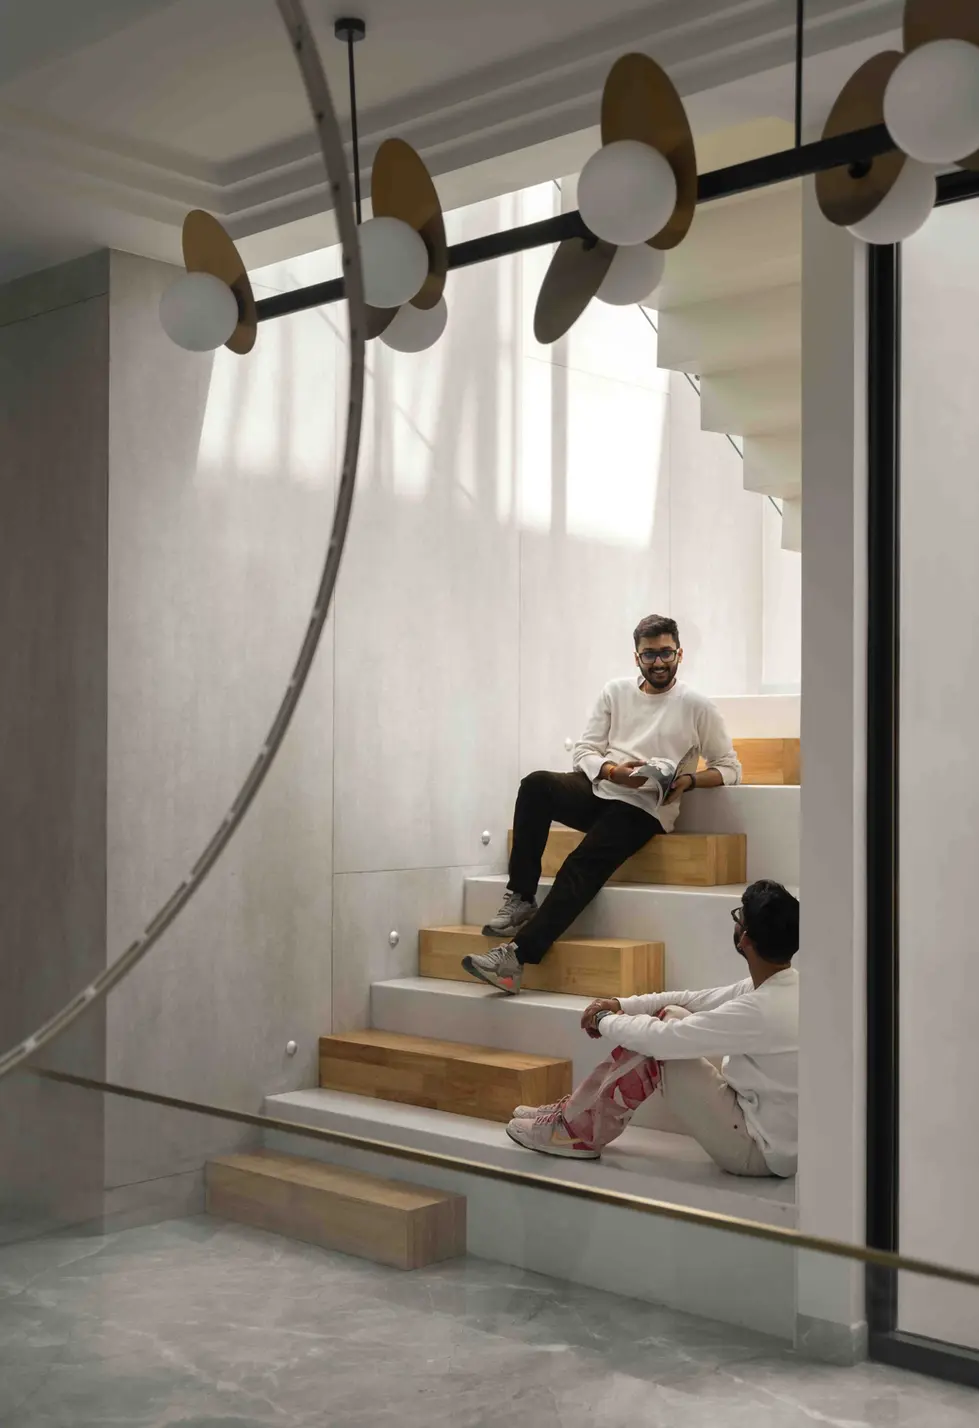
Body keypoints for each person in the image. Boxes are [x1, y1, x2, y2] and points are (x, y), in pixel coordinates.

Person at [463, 614, 741, 995]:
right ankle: (522, 897)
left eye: (665, 653)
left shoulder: (697, 706)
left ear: (680, 653)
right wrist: (612, 771)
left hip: (645, 808)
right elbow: (584, 750)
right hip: (603, 788)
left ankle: (516, 958)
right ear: (636, 657)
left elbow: (729, 768)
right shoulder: (616, 692)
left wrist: (688, 781)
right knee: (536, 785)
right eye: (649, 655)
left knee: (581, 863)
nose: (658, 662)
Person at [506, 879, 800, 1179]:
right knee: (670, 1015)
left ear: (745, 939)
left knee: (659, 1046)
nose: (735, 924)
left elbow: (664, 1041)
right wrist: (620, 1005)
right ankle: (573, 1113)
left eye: (739, 918)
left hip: (755, 1150)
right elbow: (692, 1000)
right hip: (761, 1128)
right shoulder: (782, 987)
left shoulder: (760, 1009)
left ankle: (575, 1132)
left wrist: (603, 1021)